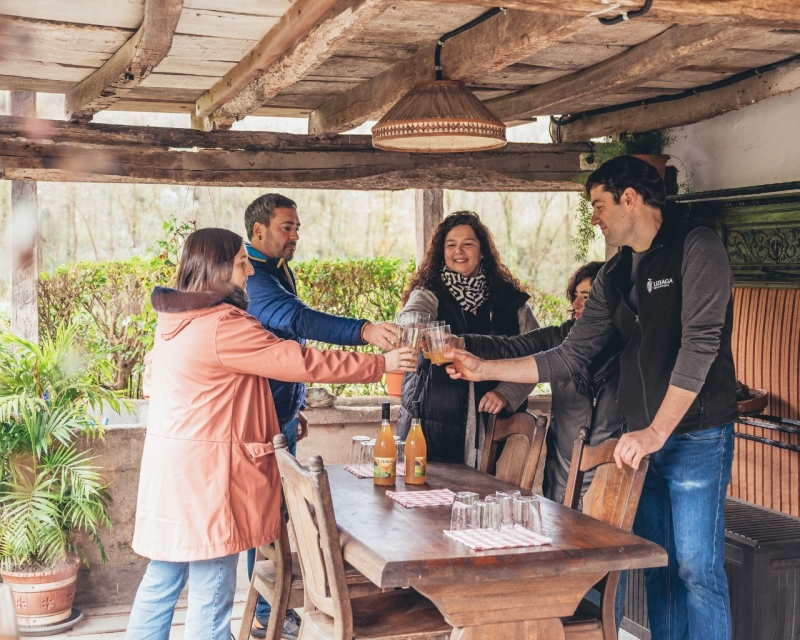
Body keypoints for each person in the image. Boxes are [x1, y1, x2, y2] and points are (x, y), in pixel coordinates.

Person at [446, 155, 737, 640]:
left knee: (696, 570)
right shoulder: (615, 272)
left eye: (599, 205)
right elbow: (571, 355)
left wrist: (655, 431)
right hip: (641, 441)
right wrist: (484, 368)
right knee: (659, 566)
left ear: (630, 198)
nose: (595, 218)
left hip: (694, 434)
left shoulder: (697, 246)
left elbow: (700, 344)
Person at [125, 228, 415, 640]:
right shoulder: (222, 325)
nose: (248, 272)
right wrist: (378, 365)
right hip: (209, 478)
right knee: (213, 581)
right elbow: (298, 361)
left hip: (174, 472)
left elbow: (205, 393)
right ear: (217, 268)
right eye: (242, 263)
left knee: (163, 575)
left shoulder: (173, 321)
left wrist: (267, 419)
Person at [242, 193, 400, 638]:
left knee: (275, 519)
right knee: (267, 523)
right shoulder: (256, 280)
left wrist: (298, 404)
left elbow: (287, 346)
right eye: (286, 227)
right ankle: (263, 614)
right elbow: (300, 322)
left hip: (282, 416)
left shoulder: (273, 269)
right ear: (259, 231)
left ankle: (266, 610)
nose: (295, 235)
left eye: (296, 227)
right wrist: (365, 331)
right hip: (263, 424)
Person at [462, 261, 623, 505]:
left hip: (612, 475)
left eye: (587, 298)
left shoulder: (627, 348)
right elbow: (510, 345)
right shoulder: (557, 337)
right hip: (562, 473)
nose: (576, 305)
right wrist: (463, 343)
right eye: (575, 296)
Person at [398, 211, 538, 466]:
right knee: (428, 499)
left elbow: (537, 355)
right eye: (450, 245)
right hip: (432, 424)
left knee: (486, 500)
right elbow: (412, 314)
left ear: (482, 251)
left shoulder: (510, 301)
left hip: (495, 424)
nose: (458, 251)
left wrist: (507, 393)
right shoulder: (430, 292)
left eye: (468, 244)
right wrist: (418, 328)